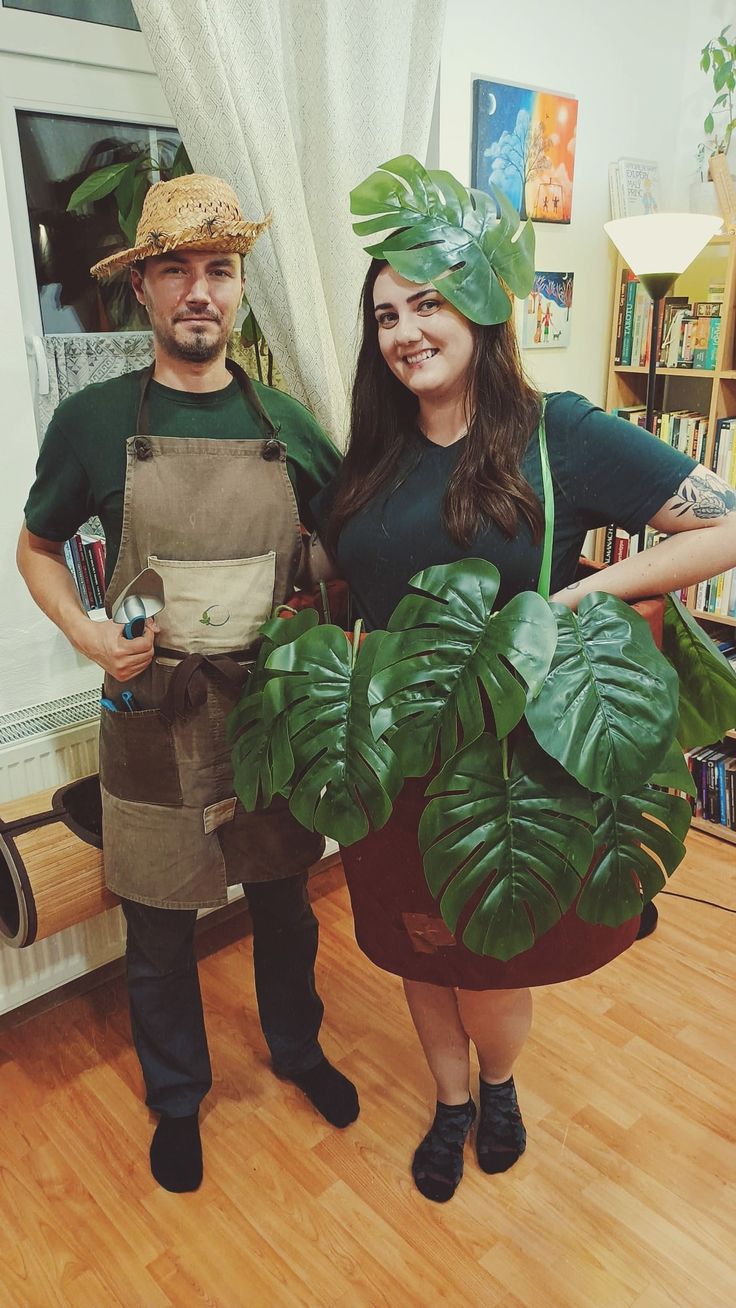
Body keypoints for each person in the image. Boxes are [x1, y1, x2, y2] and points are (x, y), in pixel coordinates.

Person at [311, 157, 736, 1203]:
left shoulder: (559, 435)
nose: (406, 330)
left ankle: (498, 1086)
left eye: (426, 301)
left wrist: (591, 596)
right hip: (392, 754)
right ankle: (447, 1100)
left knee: (487, 956)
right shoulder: (370, 454)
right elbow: (349, 579)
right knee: (418, 949)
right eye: (385, 315)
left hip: (503, 762)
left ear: (478, 303)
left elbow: (724, 523)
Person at [17, 173, 357, 1195]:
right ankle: (176, 1099)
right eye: (175, 270)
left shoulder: (291, 424)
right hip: (149, 714)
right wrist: (86, 634)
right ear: (145, 293)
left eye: (218, 269)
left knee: (286, 902)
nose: (198, 291)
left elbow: (348, 550)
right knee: (158, 924)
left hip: (266, 714)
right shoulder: (88, 424)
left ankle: (296, 1049)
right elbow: (35, 549)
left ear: (239, 289)